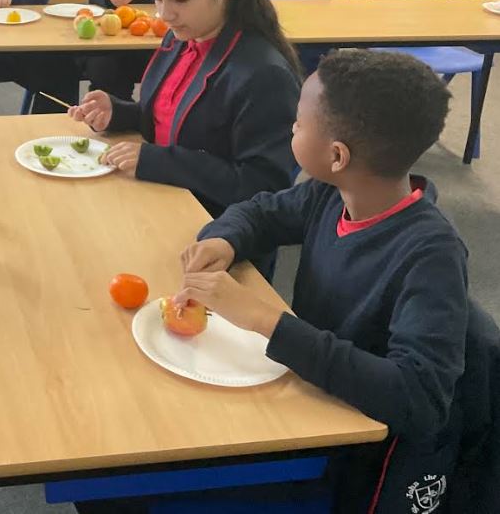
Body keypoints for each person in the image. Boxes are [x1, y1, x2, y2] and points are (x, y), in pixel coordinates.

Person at [176, 50, 473, 513]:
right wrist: (225, 240)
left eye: (298, 123)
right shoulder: (331, 194)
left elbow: (421, 400)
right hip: (300, 392)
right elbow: (261, 212)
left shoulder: (431, 255)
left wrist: (266, 320)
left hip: (342, 452)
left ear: (337, 155)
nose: (291, 129)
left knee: (135, 479)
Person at [68, 0, 301, 277]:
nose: (164, 14)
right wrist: (121, 112)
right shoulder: (182, 38)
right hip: (163, 205)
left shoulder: (263, 74)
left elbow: (262, 189)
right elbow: (174, 122)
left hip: (214, 244)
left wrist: (157, 161)